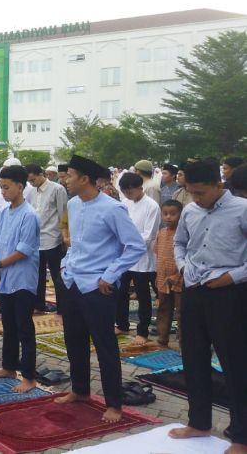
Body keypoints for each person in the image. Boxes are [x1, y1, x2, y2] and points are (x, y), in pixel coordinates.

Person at [56, 155, 146, 423]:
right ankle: (80, 390)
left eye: (70, 175)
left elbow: (135, 246)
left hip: (98, 287)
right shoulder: (72, 205)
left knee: (105, 345)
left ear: (85, 179)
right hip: (72, 281)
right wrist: (64, 265)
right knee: (74, 340)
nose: (65, 179)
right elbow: (76, 244)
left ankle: (114, 403)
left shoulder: (112, 209)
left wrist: (110, 275)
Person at [168, 161, 247, 451]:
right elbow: (180, 244)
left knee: (235, 364)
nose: (196, 199)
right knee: (193, 358)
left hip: (229, 295)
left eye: (200, 193)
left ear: (218, 185)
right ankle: (199, 422)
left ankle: (241, 436)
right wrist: (182, 265)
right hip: (194, 291)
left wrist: (232, 277)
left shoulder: (242, 209)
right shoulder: (189, 210)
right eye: (191, 192)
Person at [0, 165, 40, 393]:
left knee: (24, 327)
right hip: (6, 277)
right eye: (2, 187)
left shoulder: (29, 215)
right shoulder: (4, 214)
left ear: (20, 187)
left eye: (6, 188)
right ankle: (9, 366)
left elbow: (23, 250)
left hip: (23, 278)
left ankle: (29, 376)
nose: (3, 192)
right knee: (8, 324)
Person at [115, 172, 161, 345]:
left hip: (142, 257)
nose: (128, 195)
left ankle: (143, 331)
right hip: (124, 255)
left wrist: (128, 240)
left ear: (140, 188)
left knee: (142, 296)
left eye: (131, 191)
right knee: (121, 292)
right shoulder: (124, 203)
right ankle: (122, 324)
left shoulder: (152, 206)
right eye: (125, 192)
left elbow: (149, 234)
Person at [26, 164, 69, 314]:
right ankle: (39, 304)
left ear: (41, 174)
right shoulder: (32, 192)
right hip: (37, 239)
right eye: (29, 181)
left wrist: (64, 236)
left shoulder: (57, 189)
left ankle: (63, 307)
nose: (32, 183)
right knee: (38, 274)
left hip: (53, 238)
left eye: (33, 179)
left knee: (57, 274)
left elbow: (63, 213)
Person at [154, 199, 183, 347]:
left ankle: (184, 342)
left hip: (180, 280)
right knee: (163, 308)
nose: (168, 217)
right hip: (163, 279)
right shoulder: (161, 233)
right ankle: (162, 338)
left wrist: (177, 275)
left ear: (181, 215)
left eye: (173, 214)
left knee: (182, 312)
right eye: (165, 214)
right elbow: (158, 253)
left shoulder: (184, 233)